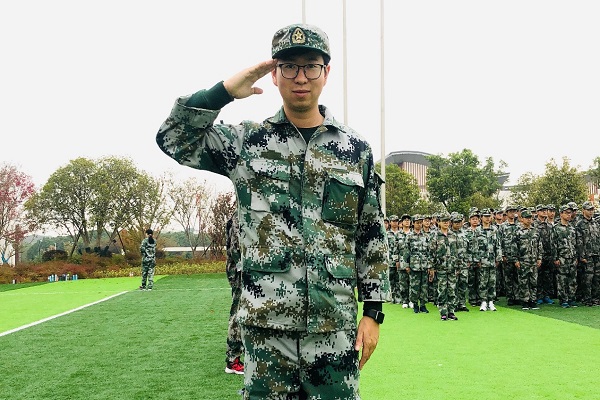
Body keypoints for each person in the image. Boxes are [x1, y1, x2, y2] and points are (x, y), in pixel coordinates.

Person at [156, 23, 390, 399]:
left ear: (326, 72)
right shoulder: (247, 142)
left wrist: (373, 313)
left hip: (334, 329)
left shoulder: (355, 150)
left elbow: (371, 235)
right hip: (267, 333)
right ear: (275, 74)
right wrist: (225, 91)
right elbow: (173, 137)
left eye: (311, 65)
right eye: (289, 66)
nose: (301, 77)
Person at [225, 209, 244, 375]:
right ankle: (233, 360)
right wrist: (243, 268)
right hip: (240, 273)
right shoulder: (239, 214)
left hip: (244, 271)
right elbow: (235, 247)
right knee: (237, 314)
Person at [429, 213, 458, 321]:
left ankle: (451, 312)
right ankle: (443, 312)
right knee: (442, 290)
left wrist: (457, 266)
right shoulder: (435, 235)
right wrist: (431, 268)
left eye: (447, 221)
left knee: (452, 290)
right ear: (439, 222)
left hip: (452, 267)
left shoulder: (453, 235)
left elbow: (456, 252)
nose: (446, 223)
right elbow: (431, 253)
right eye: (444, 221)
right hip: (440, 267)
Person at [513, 209, 542, 310]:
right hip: (523, 260)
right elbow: (514, 247)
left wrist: (539, 258)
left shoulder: (535, 231)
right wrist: (516, 260)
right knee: (523, 281)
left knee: (534, 282)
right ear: (522, 219)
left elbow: (539, 246)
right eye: (527, 218)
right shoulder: (518, 232)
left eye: (530, 218)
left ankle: (533, 300)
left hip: (533, 260)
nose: (529, 220)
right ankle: (525, 301)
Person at [552, 205, 578, 308]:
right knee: (562, 279)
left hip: (572, 257)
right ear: (561, 214)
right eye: (566, 213)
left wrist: (576, 257)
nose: (569, 215)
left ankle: (571, 298)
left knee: (572, 279)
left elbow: (575, 243)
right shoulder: (556, 228)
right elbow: (553, 244)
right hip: (562, 257)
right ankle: (563, 300)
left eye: (570, 213)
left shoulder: (572, 228)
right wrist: (555, 258)